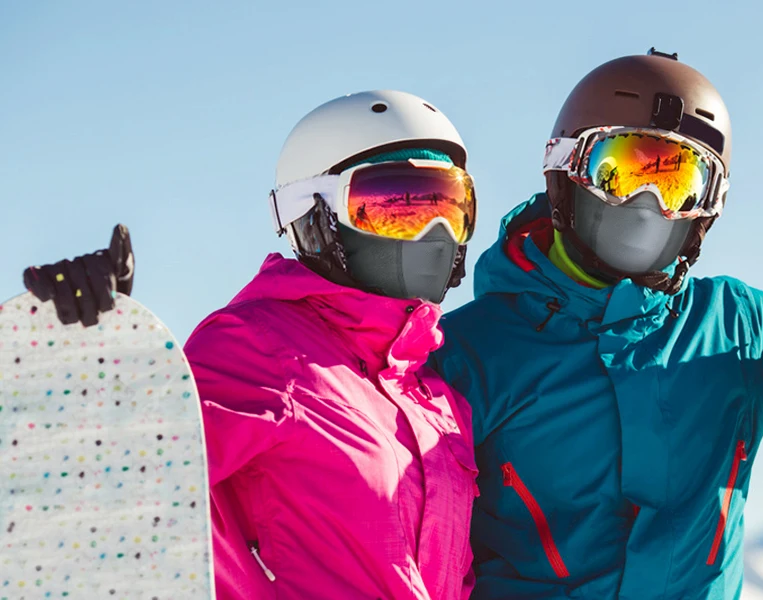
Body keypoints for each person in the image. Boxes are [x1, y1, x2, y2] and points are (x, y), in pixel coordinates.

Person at [428, 49, 763, 598]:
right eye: (622, 170)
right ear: (567, 170)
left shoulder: (736, 329)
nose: (648, 202)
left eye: (679, 183)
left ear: (708, 207)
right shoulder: (466, 354)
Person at [24, 90, 481, 599]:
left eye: (450, 206)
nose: (433, 232)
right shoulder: (259, 347)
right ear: (315, 214)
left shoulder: (439, 403)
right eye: (393, 207)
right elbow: (123, 482)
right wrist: (83, 368)